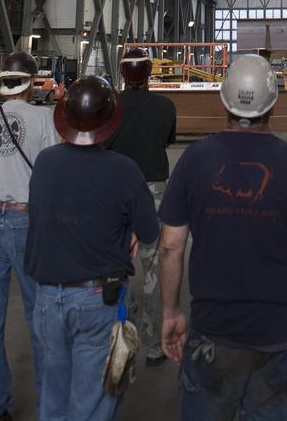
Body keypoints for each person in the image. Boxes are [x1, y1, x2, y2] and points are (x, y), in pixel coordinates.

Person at [158, 52, 287, 419]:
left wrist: (171, 311)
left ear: (224, 99)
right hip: (277, 335)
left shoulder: (194, 160)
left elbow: (171, 246)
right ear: (273, 103)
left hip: (211, 334)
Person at [24, 74, 158, 421]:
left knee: (53, 396)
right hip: (96, 298)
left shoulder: (45, 162)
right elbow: (148, 229)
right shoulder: (124, 170)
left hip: (47, 299)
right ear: (109, 120)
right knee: (94, 399)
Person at [0, 49, 59, 421]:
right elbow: (54, 173)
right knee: (40, 315)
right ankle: (45, 403)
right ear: (32, 82)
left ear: (3, 83)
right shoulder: (44, 118)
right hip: (26, 222)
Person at [107, 47, 176, 365]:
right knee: (153, 265)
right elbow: (167, 140)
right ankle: (153, 341)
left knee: (112, 261)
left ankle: (116, 327)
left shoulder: (110, 106)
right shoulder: (165, 106)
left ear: (122, 74)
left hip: (116, 189)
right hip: (153, 188)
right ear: (150, 72)